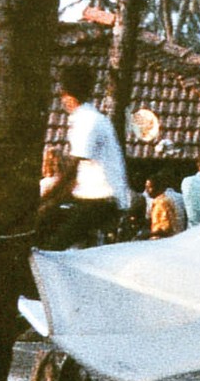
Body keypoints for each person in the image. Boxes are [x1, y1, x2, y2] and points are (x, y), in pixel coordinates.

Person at [39, 64, 131, 249]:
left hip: (102, 200)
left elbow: (71, 170)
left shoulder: (88, 121)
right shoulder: (89, 117)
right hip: (90, 197)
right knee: (44, 225)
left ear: (66, 95)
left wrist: (43, 200)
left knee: (52, 245)